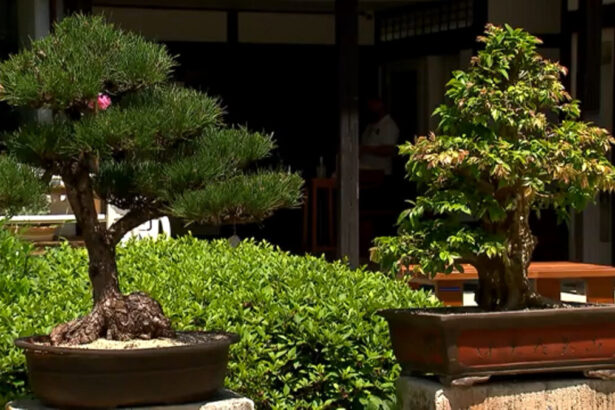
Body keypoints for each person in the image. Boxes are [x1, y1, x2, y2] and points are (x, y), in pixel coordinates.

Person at [360, 98, 400, 176]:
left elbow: (389, 150)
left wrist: (365, 149)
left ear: (380, 105)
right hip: (365, 172)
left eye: (372, 105)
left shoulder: (389, 125)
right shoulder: (370, 125)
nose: (370, 108)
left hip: (380, 174)